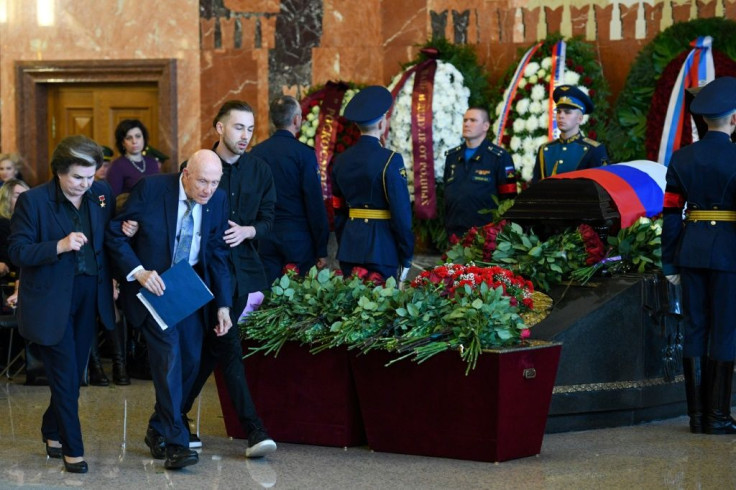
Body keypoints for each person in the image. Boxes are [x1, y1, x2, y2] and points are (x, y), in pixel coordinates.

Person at [106, 149, 232, 470]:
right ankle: (177, 444)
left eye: (214, 183)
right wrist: (139, 272)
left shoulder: (216, 200)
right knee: (169, 359)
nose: (208, 190)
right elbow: (115, 236)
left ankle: (159, 427)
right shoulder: (151, 189)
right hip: (154, 287)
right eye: (202, 181)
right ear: (185, 174)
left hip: (187, 288)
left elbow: (216, 254)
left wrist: (224, 305)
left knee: (190, 361)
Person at [8, 135, 116, 474]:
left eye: (90, 176)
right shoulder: (34, 202)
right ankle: (73, 450)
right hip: (50, 300)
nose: (84, 185)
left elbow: (105, 240)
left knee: (72, 374)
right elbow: (17, 252)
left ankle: (51, 430)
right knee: (67, 376)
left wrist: (110, 276)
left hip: (88, 295)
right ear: (58, 171)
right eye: (76, 177)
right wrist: (59, 245)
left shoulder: (100, 195)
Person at [180, 100, 277, 459]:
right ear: (220, 128)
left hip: (243, 274)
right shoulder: (198, 167)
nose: (245, 136)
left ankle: (176, 416)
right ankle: (251, 429)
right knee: (217, 347)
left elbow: (270, 219)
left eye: (250, 129)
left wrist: (250, 230)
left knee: (219, 346)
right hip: (201, 272)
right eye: (239, 127)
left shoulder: (260, 171)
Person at [662, 76, 736, 435]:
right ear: (734, 118)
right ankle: (719, 417)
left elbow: (671, 213)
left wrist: (669, 261)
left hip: (690, 250)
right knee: (725, 331)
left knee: (694, 328)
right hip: (728, 254)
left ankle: (696, 417)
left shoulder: (681, 158)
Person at [331, 85, 414, 282]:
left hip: (350, 248)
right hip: (382, 249)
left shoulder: (341, 160)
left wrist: (346, 242)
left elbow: (338, 209)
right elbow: (401, 215)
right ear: (381, 124)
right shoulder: (391, 160)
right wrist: (406, 255)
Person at [250, 95, 329, 283]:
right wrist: (321, 248)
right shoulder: (305, 154)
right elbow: (314, 204)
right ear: (296, 120)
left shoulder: (255, 154)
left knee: (267, 301)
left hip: (265, 238)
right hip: (298, 241)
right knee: (298, 302)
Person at [443, 107, 517, 240]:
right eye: (465, 120)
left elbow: (509, 200)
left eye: (473, 120)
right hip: (454, 233)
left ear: (485, 126)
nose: (466, 124)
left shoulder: (499, 157)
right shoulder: (452, 156)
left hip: (486, 235)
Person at [532, 85, 609, 182]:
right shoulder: (545, 149)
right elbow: (535, 187)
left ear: (580, 119)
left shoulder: (594, 149)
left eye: (567, 112)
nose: (561, 116)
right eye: (559, 112)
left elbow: (602, 187)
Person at [106, 119, 160, 197]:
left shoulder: (152, 162)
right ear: (123, 143)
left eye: (138, 136)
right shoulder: (117, 166)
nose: (134, 141)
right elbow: (112, 199)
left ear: (144, 138)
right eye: (129, 138)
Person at [0, 178, 30, 280]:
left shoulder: (31, 222)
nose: (24, 199)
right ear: (7, 199)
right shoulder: (3, 222)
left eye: (26, 195)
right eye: (18, 196)